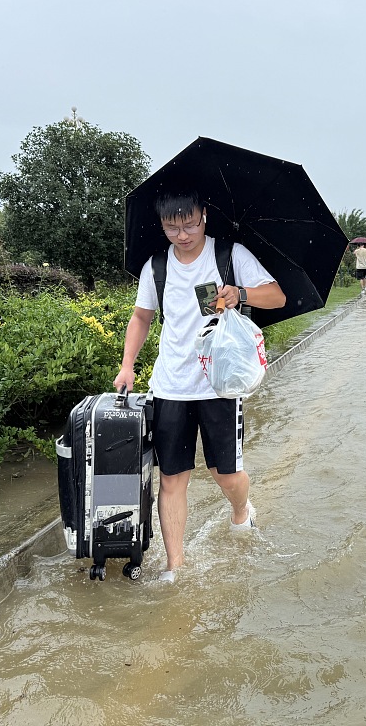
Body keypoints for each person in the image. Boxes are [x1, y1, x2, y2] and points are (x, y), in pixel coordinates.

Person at [114, 192, 286, 584]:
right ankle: (176, 565)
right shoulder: (156, 266)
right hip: (171, 385)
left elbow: (277, 296)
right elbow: (141, 318)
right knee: (172, 478)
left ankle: (242, 511)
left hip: (219, 385)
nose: (182, 234)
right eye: (172, 227)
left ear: (204, 216)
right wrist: (127, 366)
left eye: (189, 224)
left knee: (225, 474)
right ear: (161, 225)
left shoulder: (230, 255)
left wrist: (240, 294)